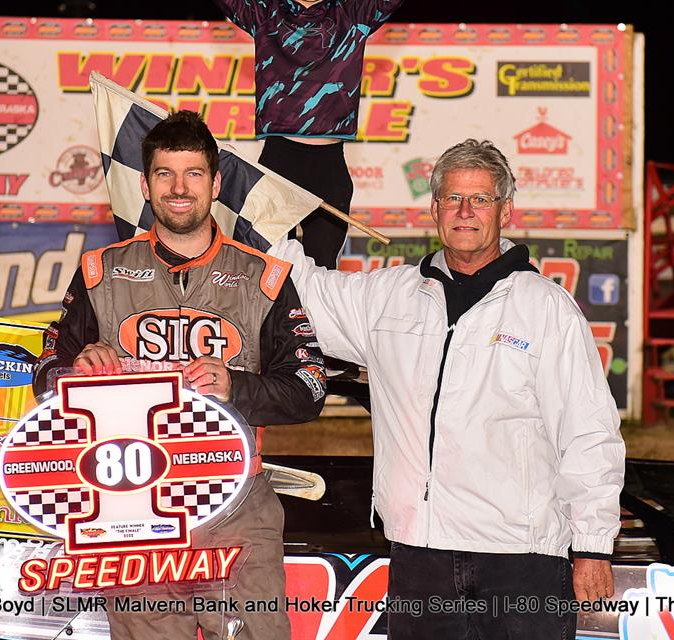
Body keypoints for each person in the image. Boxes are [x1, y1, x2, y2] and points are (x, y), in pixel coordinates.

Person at [271, 139, 625, 639]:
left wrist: (593, 545)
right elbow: (301, 287)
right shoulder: (390, 297)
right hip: (421, 556)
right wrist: (247, 206)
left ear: (505, 210)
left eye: (480, 199)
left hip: (519, 558)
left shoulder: (546, 308)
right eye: (453, 198)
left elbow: (589, 432)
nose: (465, 211)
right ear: (435, 208)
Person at [33, 110, 327, 639]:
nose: (179, 188)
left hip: (236, 505)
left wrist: (236, 386)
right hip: (131, 506)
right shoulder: (101, 271)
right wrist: (76, 372)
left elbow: (308, 390)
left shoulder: (263, 276)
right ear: (144, 185)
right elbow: (45, 373)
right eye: (165, 174)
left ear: (216, 183)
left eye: (193, 173)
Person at [213, 0, 405, 269]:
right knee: (270, 267)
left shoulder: (351, 12)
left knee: (322, 271)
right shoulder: (266, 12)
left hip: (328, 168)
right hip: (278, 165)